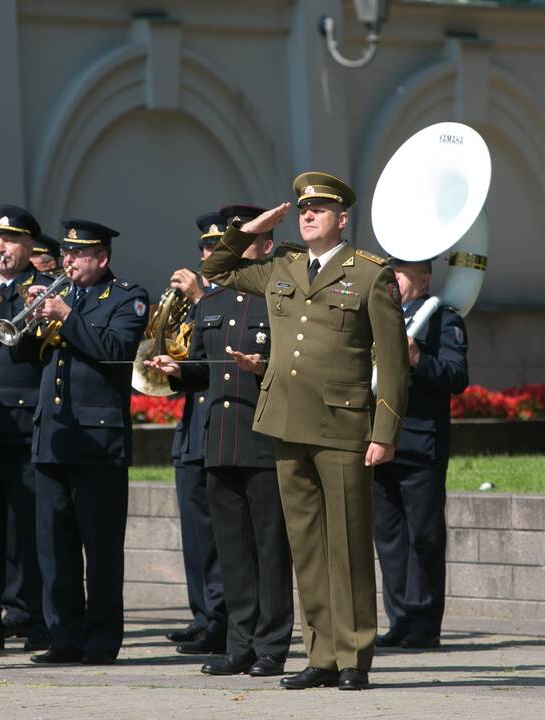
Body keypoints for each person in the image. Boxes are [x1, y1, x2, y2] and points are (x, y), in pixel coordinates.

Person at [200, 173, 409, 691]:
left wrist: (384, 432)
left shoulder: (368, 275)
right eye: (302, 209)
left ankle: (354, 656)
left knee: (348, 544)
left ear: (342, 218)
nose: (307, 214)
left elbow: (394, 360)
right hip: (285, 422)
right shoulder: (282, 266)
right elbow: (216, 270)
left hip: (342, 425)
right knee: (308, 546)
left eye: (320, 209)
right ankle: (321, 654)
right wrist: (250, 229)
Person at [149, 204, 294, 677]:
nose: (228, 249)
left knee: (269, 549)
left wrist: (262, 369)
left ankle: (272, 646)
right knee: (231, 550)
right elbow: (200, 372)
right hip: (220, 442)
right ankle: (240, 644)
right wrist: (177, 372)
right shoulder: (209, 306)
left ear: (266, 246)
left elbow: (296, 369)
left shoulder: (281, 300)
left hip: (263, 439)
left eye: (243, 239)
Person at [27, 218, 149, 665]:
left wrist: (66, 317)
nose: (69, 261)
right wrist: (32, 321)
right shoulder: (56, 297)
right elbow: (23, 355)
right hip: (53, 434)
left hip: (99, 440)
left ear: (102, 258)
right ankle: (63, 636)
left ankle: (100, 640)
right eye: (67, 254)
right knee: (53, 545)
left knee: (99, 547)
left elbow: (115, 351)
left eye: (78, 254)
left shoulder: (127, 297)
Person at [374, 258, 468, 650]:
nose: (394, 278)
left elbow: (456, 376)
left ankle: (424, 623)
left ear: (424, 278)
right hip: (379, 438)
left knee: (424, 536)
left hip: (419, 443)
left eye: (402, 272)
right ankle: (399, 621)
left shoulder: (442, 318)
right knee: (390, 537)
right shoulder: (378, 316)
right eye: (391, 271)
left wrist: (417, 358)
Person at [0, 205, 51, 652]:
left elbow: (28, 354)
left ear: (29, 249)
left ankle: (38, 621)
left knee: (30, 533)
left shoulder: (35, 292)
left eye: (12, 241)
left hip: (22, 424)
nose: (1, 248)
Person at [163, 214, 227, 654]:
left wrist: (202, 297)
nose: (207, 256)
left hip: (222, 429)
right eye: (204, 249)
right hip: (191, 428)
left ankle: (222, 619)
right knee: (194, 532)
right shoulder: (197, 300)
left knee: (220, 535)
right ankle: (202, 613)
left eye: (216, 249)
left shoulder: (241, 298)